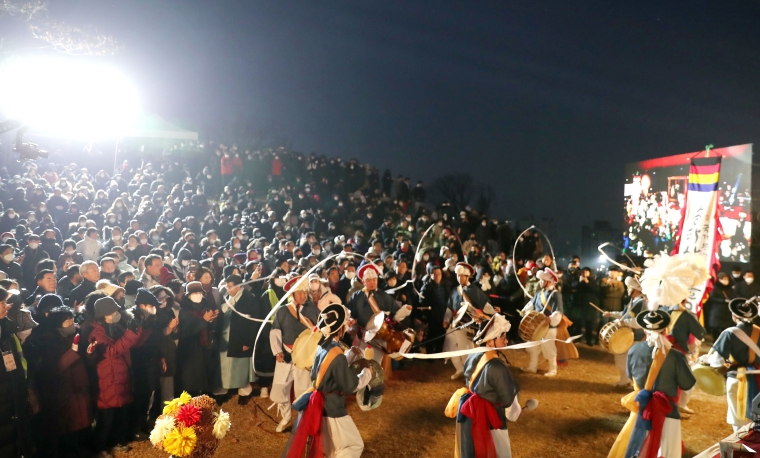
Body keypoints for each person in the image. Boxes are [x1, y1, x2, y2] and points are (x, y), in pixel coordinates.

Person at [283, 303, 372, 458]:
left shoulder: (322, 346)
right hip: (333, 408)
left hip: (320, 406)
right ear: (340, 329)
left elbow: (331, 367)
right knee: (354, 446)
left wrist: (349, 355)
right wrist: (367, 374)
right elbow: (350, 385)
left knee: (332, 450)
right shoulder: (336, 354)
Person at [608, 309, 696, 458]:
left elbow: (630, 375)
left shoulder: (634, 350)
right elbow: (687, 384)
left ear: (644, 329)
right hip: (667, 412)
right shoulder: (676, 356)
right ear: (665, 330)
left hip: (641, 410)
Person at [452, 314, 521, 458]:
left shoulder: (472, 356)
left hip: (468, 414)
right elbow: (508, 399)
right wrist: (514, 411)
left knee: (470, 450)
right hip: (489, 418)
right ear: (490, 340)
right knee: (496, 451)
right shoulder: (497, 366)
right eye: (502, 337)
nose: (506, 341)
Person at [88, 296, 143, 457]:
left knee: (120, 414)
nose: (116, 314)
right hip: (107, 379)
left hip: (120, 376)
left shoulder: (115, 327)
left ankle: (117, 441)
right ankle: (99, 447)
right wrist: (131, 333)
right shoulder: (96, 334)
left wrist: (137, 329)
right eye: (113, 312)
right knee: (106, 418)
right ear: (103, 315)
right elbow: (112, 351)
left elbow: (130, 343)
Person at [270, 275, 320, 432]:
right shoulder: (283, 311)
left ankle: (302, 419)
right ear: (292, 294)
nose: (303, 296)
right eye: (299, 293)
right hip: (285, 354)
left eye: (305, 293)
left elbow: (320, 332)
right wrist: (277, 351)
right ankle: (285, 417)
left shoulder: (313, 310)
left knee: (302, 390)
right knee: (280, 388)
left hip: (304, 357)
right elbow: (275, 331)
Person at [703, 297, 760, 432]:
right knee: (756, 419)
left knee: (738, 421)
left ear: (734, 315)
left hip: (737, 378)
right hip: (758, 377)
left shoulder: (729, 333)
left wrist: (706, 360)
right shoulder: (759, 330)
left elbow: (717, 361)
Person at [521, 268, 575, 376]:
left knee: (549, 348)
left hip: (549, 326)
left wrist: (550, 319)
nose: (540, 282)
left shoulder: (556, 294)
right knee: (533, 348)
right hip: (538, 325)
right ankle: (532, 367)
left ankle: (553, 369)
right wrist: (525, 311)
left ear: (549, 282)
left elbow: (558, 311)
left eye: (542, 280)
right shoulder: (540, 292)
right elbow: (532, 303)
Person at [214, 274, 258, 403]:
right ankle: (226, 389)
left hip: (240, 338)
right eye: (227, 287)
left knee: (241, 366)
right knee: (225, 365)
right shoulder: (228, 298)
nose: (228, 289)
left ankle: (244, 392)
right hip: (226, 338)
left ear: (238, 286)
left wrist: (248, 341)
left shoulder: (249, 298)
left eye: (230, 287)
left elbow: (253, 323)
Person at [0, 286, 33, 458]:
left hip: (12, 403)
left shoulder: (7, 331)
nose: (6, 306)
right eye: (2, 302)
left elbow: (18, 366)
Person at [445, 262, 488, 380]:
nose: (459, 278)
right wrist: (446, 319)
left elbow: (485, 305)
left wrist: (492, 310)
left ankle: (469, 373)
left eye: (462, 276)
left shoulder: (474, 290)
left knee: (466, 351)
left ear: (467, 276)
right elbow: (449, 307)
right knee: (451, 347)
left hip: (468, 325)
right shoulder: (455, 290)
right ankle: (459, 369)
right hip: (454, 324)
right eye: (457, 276)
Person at [603, 276, 646, 387]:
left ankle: (636, 384)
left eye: (629, 287)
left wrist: (625, 322)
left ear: (636, 289)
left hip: (637, 336)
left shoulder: (642, 303)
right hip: (627, 335)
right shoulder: (633, 301)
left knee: (633, 361)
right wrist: (611, 314)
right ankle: (624, 380)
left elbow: (640, 322)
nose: (627, 289)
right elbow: (624, 314)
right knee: (622, 359)